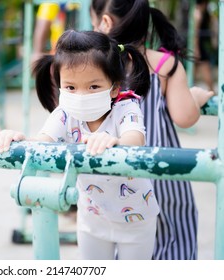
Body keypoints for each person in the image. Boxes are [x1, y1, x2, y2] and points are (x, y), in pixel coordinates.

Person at [0, 30, 160, 260]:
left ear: (115, 87)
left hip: (136, 218)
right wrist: (16, 138)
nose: (80, 95)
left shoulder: (125, 107)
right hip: (91, 216)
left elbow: (135, 139)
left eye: (93, 87)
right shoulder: (65, 114)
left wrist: (117, 142)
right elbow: (42, 144)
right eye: (70, 87)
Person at [90, 0, 215, 260]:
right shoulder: (164, 65)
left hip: (113, 179)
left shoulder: (97, 69)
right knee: (171, 244)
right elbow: (184, 117)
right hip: (161, 179)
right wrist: (195, 97)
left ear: (104, 22)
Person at [194, 0, 217, 92]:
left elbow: (213, 23)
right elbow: (195, 34)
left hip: (199, 46)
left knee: (194, 73)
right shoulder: (197, 14)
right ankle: (212, 92)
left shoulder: (205, 14)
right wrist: (196, 49)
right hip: (198, 47)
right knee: (203, 70)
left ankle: (212, 92)